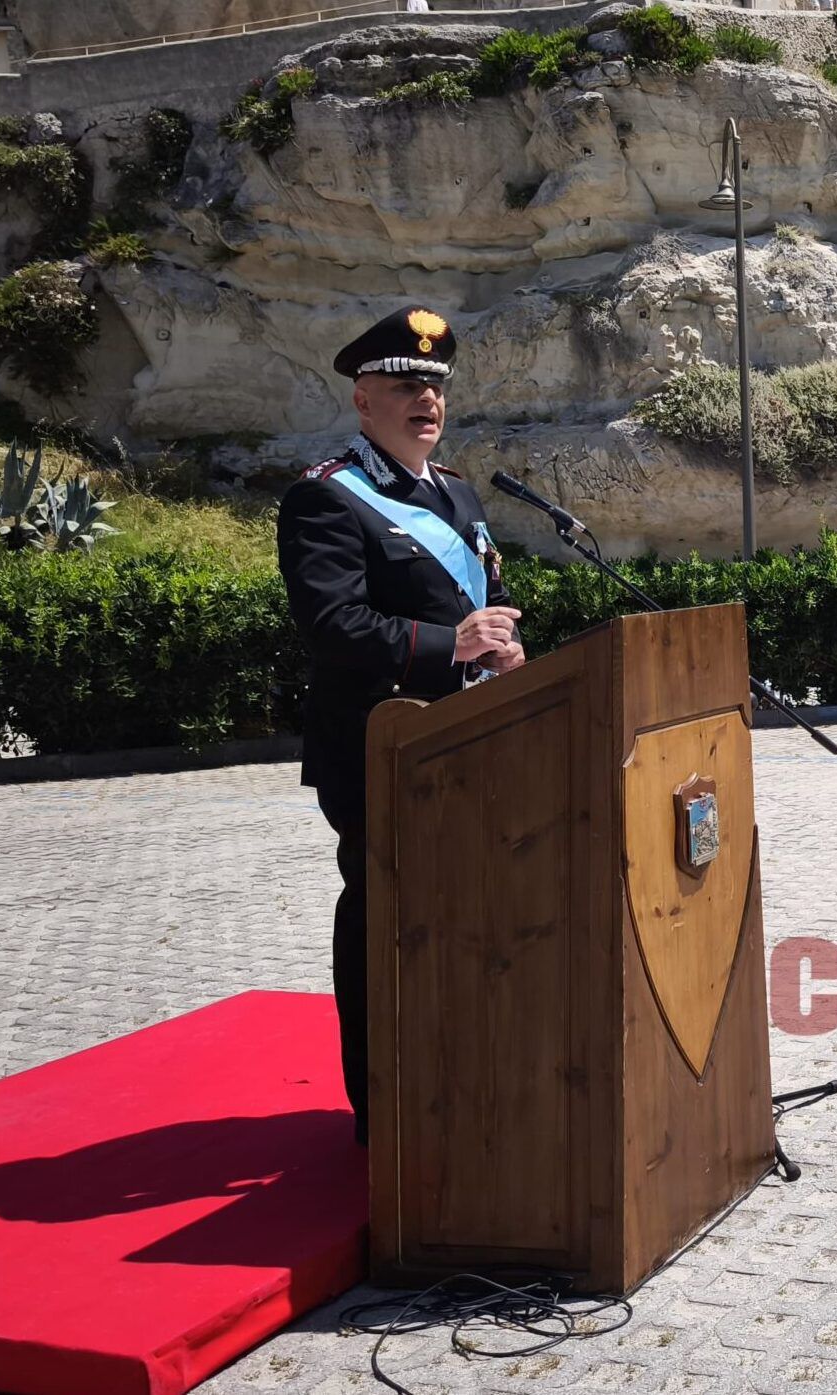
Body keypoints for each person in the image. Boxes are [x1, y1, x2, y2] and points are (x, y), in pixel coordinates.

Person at [278, 306, 520, 1146]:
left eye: (435, 385)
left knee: (469, 918)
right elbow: (334, 627)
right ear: (363, 401)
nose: (426, 398)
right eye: (404, 385)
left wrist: (497, 652)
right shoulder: (325, 498)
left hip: (475, 740)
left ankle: (461, 1081)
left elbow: (474, 606)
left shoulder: (455, 490)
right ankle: (381, 1109)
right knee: (387, 919)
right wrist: (445, 645)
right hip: (379, 749)